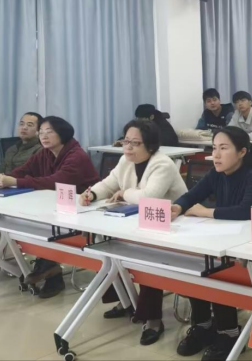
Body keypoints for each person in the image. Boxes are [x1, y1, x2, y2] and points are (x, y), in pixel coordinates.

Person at [81, 120, 187, 345]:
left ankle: (153, 319)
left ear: (150, 145)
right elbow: (108, 184)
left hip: (172, 227)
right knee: (109, 249)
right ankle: (126, 300)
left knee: (146, 258)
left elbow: (149, 197)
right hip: (136, 222)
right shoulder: (125, 160)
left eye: (134, 143)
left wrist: (124, 192)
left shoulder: (163, 164)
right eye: (125, 141)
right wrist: (91, 194)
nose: (127, 147)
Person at [172, 127, 252, 360]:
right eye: (214, 148)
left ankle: (229, 332)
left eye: (223, 148)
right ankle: (203, 325)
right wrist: (178, 206)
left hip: (251, 251)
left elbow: (246, 211)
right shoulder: (216, 173)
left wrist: (206, 212)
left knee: (219, 272)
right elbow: (192, 195)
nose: (216, 155)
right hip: (224, 242)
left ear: (242, 152)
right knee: (195, 266)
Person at [0, 116, 99, 298]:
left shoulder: (76, 155)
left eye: (49, 132)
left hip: (84, 211)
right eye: (41, 132)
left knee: (41, 224)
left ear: (62, 133)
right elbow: (24, 170)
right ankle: (49, 269)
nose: (43, 136)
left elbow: (55, 182)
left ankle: (48, 268)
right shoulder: (44, 153)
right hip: (55, 208)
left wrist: (15, 181)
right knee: (28, 222)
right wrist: (1, 178)